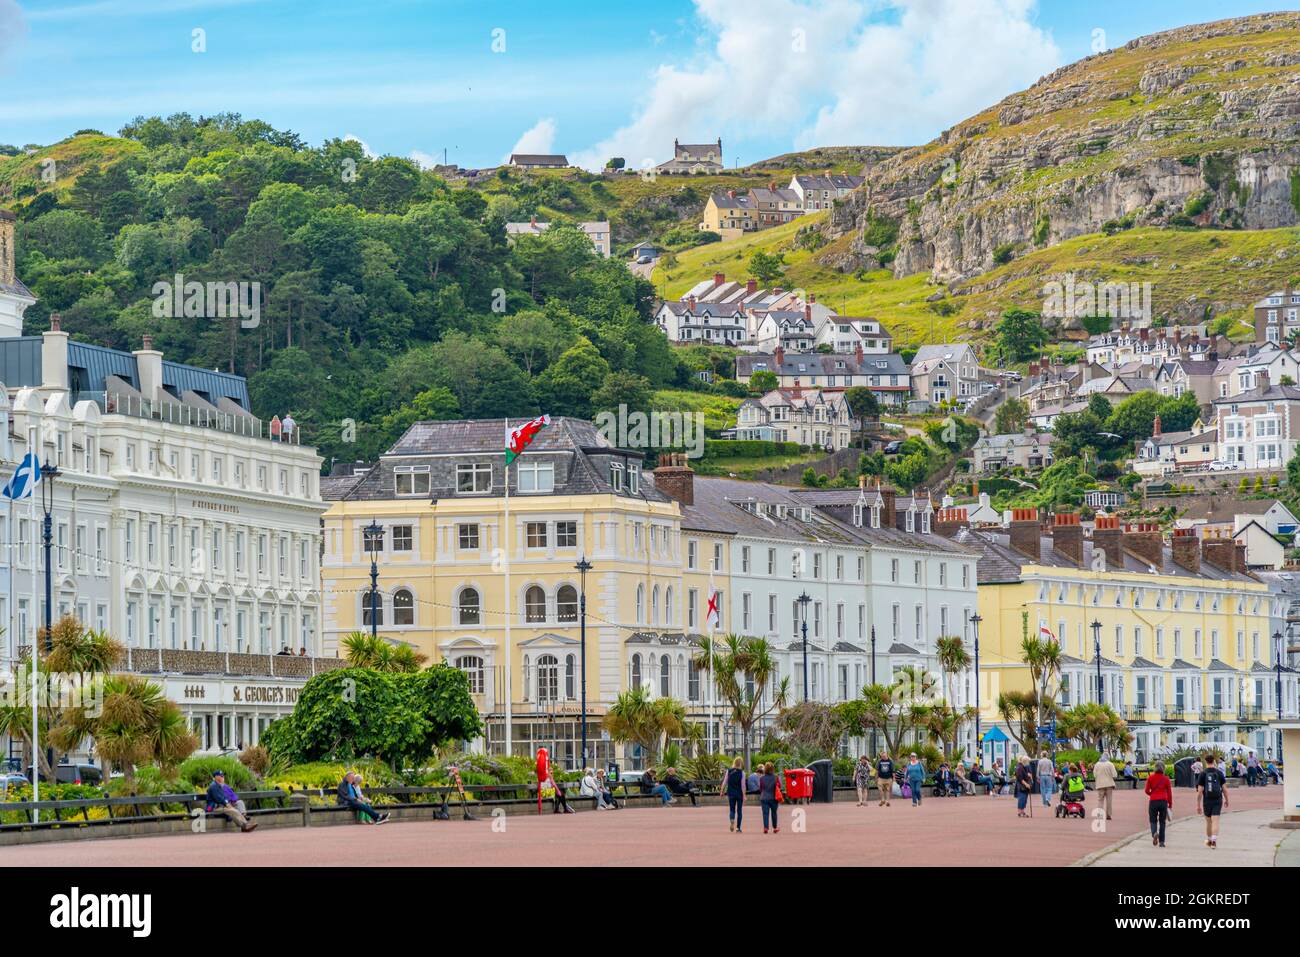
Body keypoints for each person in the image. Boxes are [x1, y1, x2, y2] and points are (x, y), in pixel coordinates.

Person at [1196, 752, 1229, 849]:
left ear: (1206, 762)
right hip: (1217, 800)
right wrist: (1227, 800)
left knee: (1209, 822)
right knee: (1215, 821)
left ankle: (1209, 840)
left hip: (1207, 800)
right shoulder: (1219, 773)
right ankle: (1214, 841)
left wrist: (1198, 805)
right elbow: (1225, 789)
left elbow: (1200, 791)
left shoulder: (1203, 774)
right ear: (1213, 761)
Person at [1145, 761, 1173, 847]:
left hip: (1153, 801)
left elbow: (1146, 790)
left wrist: (1152, 794)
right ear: (1163, 768)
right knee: (1162, 822)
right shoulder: (1166, 779)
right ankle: (1161, 842)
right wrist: (1170, 804)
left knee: (1153, 819)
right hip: (1163, 801)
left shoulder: (1150, 778)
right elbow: (1169, 793)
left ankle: (1154, 833)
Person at [723, 757, 745, 833]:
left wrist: (721, 791)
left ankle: (732, 820)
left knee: (732, 809)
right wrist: (744, 795)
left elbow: (725, 782)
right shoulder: (742, 772)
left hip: (731, 793)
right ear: (741, 764)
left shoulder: (729, 771)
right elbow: (743, 785)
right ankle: (738, 828)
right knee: (739, 810)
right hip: (739, 794)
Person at [1093, 752, 1117, 820]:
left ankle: (1100, 815)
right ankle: (1108, 815)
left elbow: (1094, 775)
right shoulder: (1110, 764)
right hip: (1109, 784)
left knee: (1100, 800)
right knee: (1109, 800)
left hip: (1100, 785)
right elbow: (1114, 775)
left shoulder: (1097, 764)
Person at [758, 762, 781, 833]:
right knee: (774, 813)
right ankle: (775, 827)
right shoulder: (776, 777)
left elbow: (761, 788)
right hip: (774, 798)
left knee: (765, 813)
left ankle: (766, 828)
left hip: (764, 797)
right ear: (772, 769)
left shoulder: (762, 778)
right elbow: (779, 786)